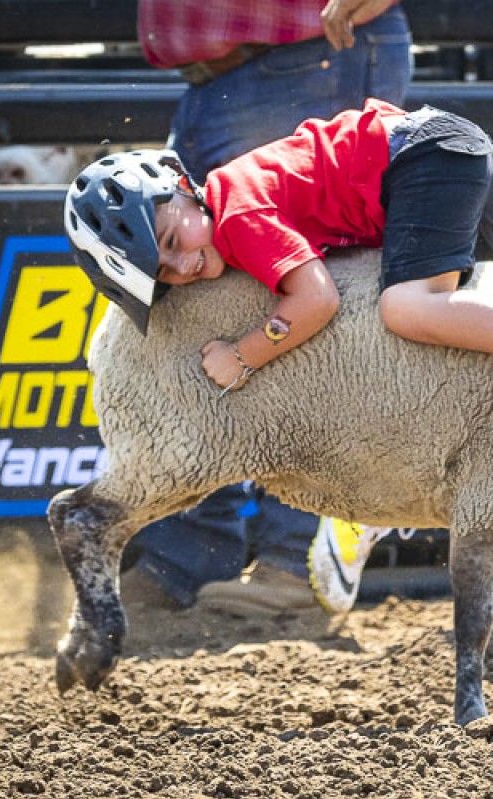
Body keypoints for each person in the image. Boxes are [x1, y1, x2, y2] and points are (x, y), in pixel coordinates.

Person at [64, 102, 493, 613]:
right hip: (437, 147)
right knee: (458, 338)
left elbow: (316, 300)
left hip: (426, 158)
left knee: (408, 309)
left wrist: (242, 355)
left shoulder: (237, 216)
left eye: (171, 241)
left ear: (183, 188)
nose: (182, 266)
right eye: (162, 273)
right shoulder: (229, 205)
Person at [122, 0, 414, 616]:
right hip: (240, 72)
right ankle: (199, 550)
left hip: (303, 57)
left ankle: (298, 557)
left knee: (308, 308)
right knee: (203, 297)